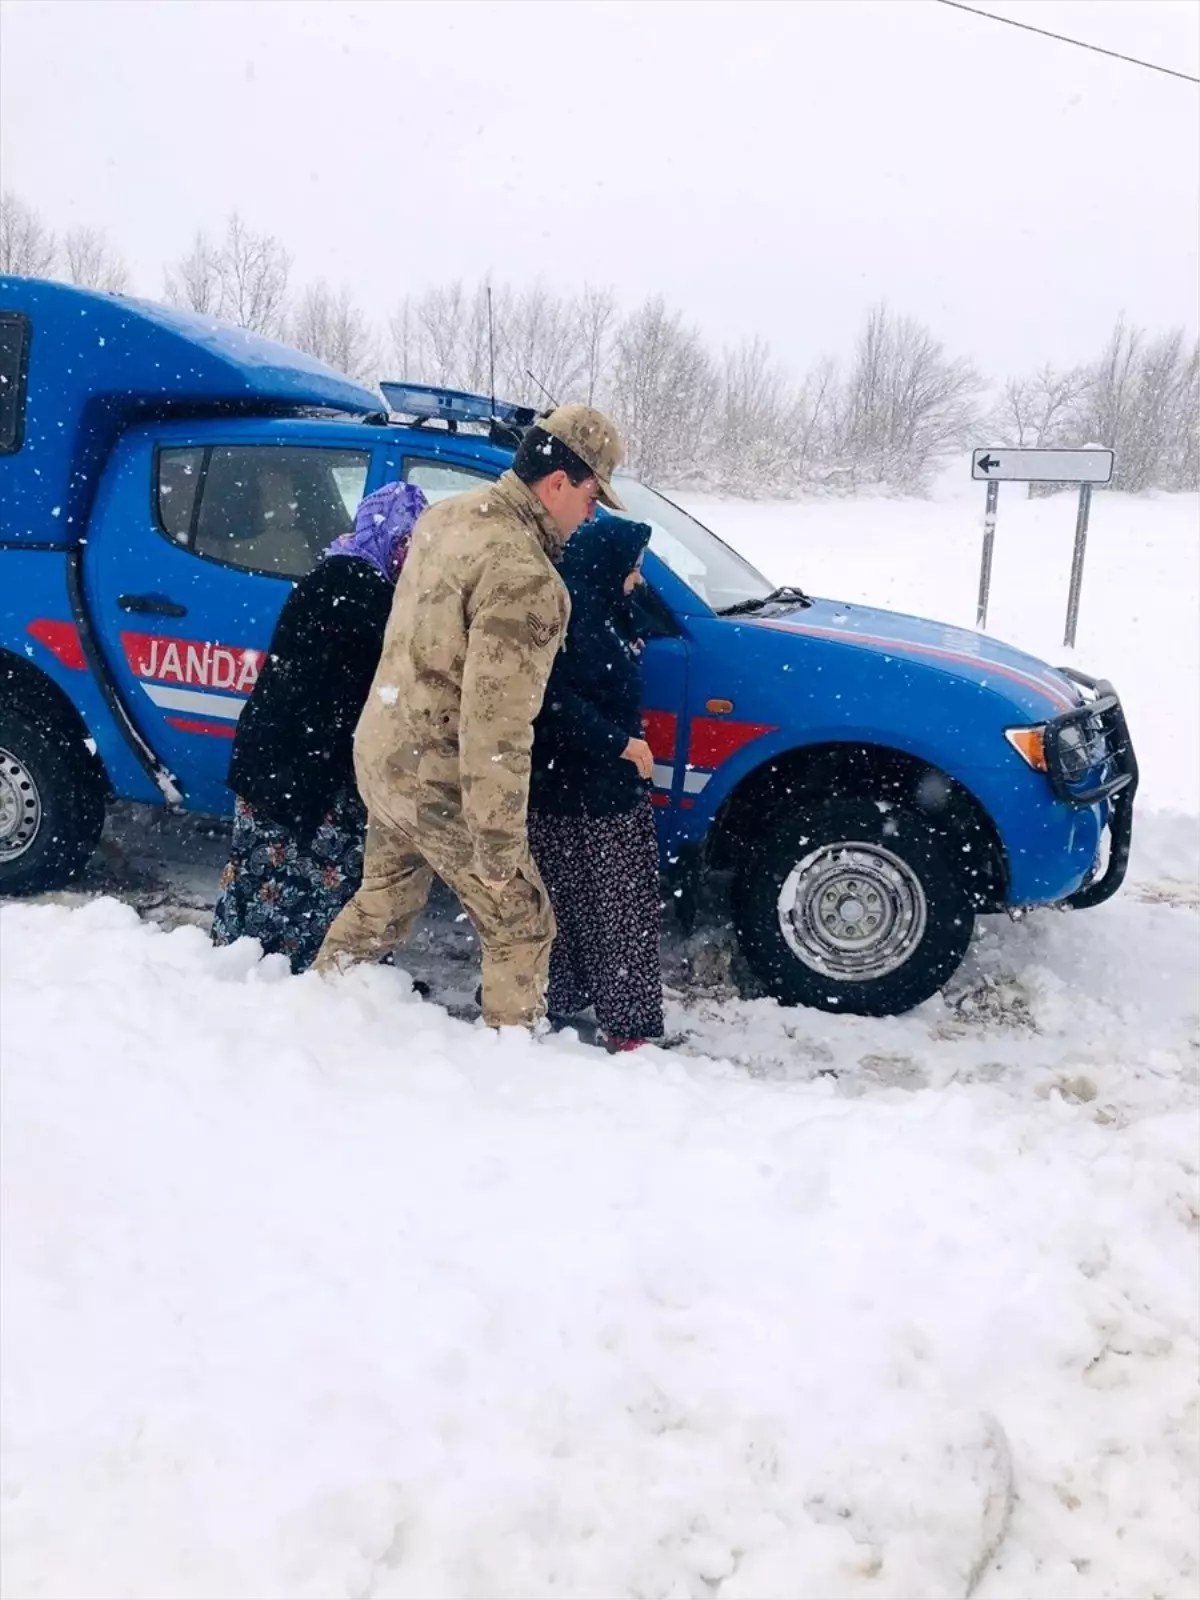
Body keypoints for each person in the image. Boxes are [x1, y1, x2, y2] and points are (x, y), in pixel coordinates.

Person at [314, 405, 626, 1031]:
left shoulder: (448, 515)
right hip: (436, 774)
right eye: (593, 497)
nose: (592, 515)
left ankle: (319, 1005)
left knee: (386, 900)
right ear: (558, 482)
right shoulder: (525, 577)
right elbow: (497, 730)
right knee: (520, 919)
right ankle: (507, 1065)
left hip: (382, 748)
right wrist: (498, 840)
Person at [211, 481, 429, 972]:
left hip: (294, 760)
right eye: (407, 544)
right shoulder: (354, 586)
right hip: (295, 765)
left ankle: (280, 972)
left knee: (291, 876)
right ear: (388, 537)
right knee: (294, 875)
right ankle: (297, 979)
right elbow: (396, 666)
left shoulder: (349, 574)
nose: (413, 558)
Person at [527, 510, 665, 1050]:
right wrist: (621, 744)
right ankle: (626, 1025)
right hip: (583, 789)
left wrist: (628, 582)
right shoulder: (568, 616)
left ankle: (566, 997)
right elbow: (554, 701)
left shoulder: (607, 607)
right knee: (615, 908)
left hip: (594, 787)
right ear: (606, 565)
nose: (638, 578)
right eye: (633, 567)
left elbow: (651, 615)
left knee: (586, 902)